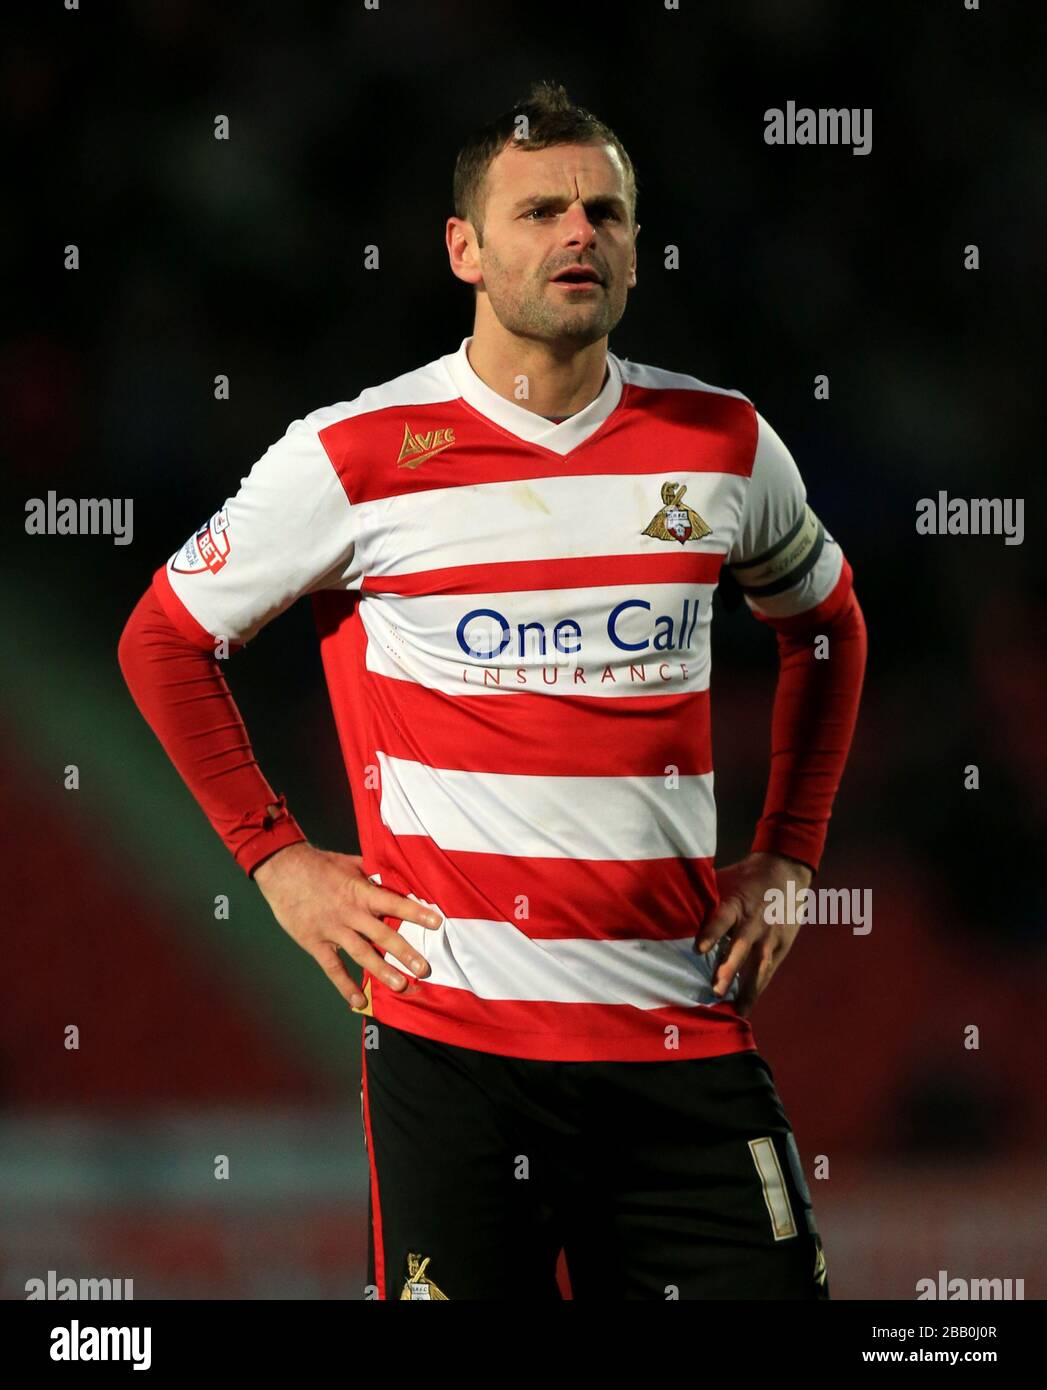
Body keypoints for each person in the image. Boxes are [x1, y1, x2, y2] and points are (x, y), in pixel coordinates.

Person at [118, 79, 867, 1300]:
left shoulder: (724, 443)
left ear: (634, 246)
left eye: (605, 211)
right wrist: (276, 859)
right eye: (540, 212)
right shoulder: (353, 454)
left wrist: (790, 851)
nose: (580, 232)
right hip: (457, 1059)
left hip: (679, 1036)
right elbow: (162, 639)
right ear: (463, 248)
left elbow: (828, 627)